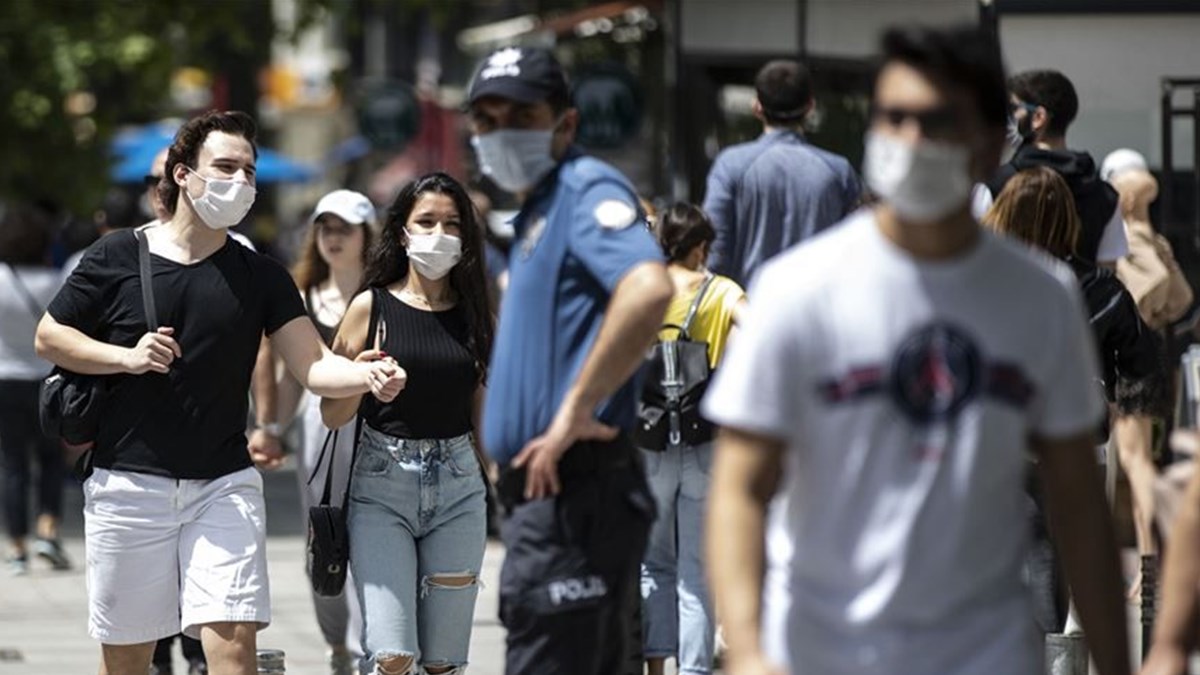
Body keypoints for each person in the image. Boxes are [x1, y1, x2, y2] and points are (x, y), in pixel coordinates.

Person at [702, 24, 1131, 675]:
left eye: (938, 120)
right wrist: (750, 647)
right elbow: (739, 486)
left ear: (991, 143)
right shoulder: (797, 288)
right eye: (894, 117)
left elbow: (1077, 500)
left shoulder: (1043, 297)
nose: (912, 138)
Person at [34, 110, 406, 675]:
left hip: (223, 485)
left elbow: (314, 366)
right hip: (129, 485)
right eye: (226, 166)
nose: (241, 182)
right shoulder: (116, 256)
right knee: (129, 660)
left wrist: (367, 374)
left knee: (234, 649)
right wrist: (126, 358)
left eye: (249, 171)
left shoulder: (261, 276)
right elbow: (49, 336)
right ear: (183, 174)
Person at [466, 45, 674, 675]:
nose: (502, 133)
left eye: (521, 116)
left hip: (572, 490)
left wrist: (570, 414)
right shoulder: (539, 208)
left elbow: (649, 287)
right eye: (487, 118)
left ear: (566, 124)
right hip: (548, 497)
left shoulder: (585, 188)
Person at [320, 172, 493, 675]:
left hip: (460, 489)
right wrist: (360, 379)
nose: (440, 233)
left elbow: (482, 403)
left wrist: (500, 472)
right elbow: (331, 412)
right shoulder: (369, 307)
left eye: (452, 224)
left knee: (442, 662)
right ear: (402, 232)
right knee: (393, 656)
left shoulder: (476, 314)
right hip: (382, 487)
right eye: (427, 221)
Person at [983, 165, 1165, 632]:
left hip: (994, 439)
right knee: (1059, 567)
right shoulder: (1100, 289)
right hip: (1078, 443)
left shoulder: (982, 279)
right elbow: (1142, 361)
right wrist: (1122, 407)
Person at [271, 189, 375, 675]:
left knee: (372, 533)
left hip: (376, 424)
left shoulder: (387, 293)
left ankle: (365, 647)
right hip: (318, 429)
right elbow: (291, 375)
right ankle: (337, 643)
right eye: (325, 228)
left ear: (366, 234)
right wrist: (271, 427)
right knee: (326, 532)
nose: (333, 238)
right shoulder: (303, 295)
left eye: (344, 228)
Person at [639, 203, 745, 675]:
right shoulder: (721, 291)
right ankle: (695, 670)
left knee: (654, 563)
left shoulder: (646, 289)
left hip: (651, 442)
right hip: (705, 443)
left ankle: (656, 666)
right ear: (701, 245)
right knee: (696, 570)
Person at [702, 59, 861, 287]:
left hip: (747, 312)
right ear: (810, 107)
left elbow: (714, 249)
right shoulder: (838, 171)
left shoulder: (731, 165)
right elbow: (855, 250)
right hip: (816, 313)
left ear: (757, 107)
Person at [985, 69, 1127, 267]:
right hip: (1080, 298)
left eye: (1013, 108)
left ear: (1038, 117)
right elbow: (1108, 270)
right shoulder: (1104, 195)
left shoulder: (994, 184)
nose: (1007, 117)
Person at [0, 202, 68, 576]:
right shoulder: (53, 282)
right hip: (45, 380)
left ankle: (16, 546)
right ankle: (48, 530)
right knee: (50, 461)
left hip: (4, 379)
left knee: (12, 466)